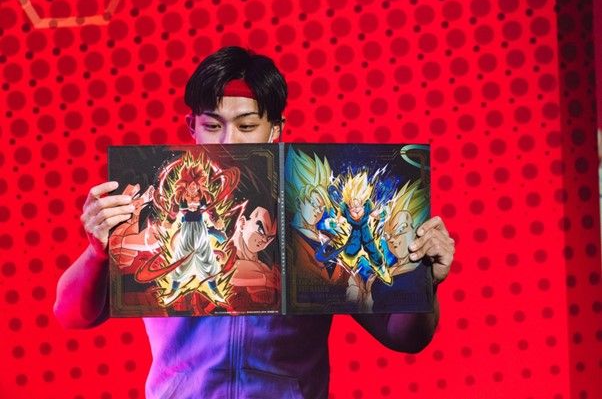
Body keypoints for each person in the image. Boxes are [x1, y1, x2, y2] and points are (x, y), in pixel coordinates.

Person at [54, 46, 456, 399]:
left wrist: (424, 280)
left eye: (247, 126)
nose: (229, 141)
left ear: (276, 129)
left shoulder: (318, 217)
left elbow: (404, 336)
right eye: (213, 125)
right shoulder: (159, 201)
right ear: (192, 128)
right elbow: (72, 314)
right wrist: (97, 253)